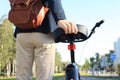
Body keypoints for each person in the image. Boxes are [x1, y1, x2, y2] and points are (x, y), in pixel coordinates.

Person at [14, 0, 78, 80]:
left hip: (22, 30)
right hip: (44, 30)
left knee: (22, 77)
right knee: (44, 77)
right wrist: (60, 18)